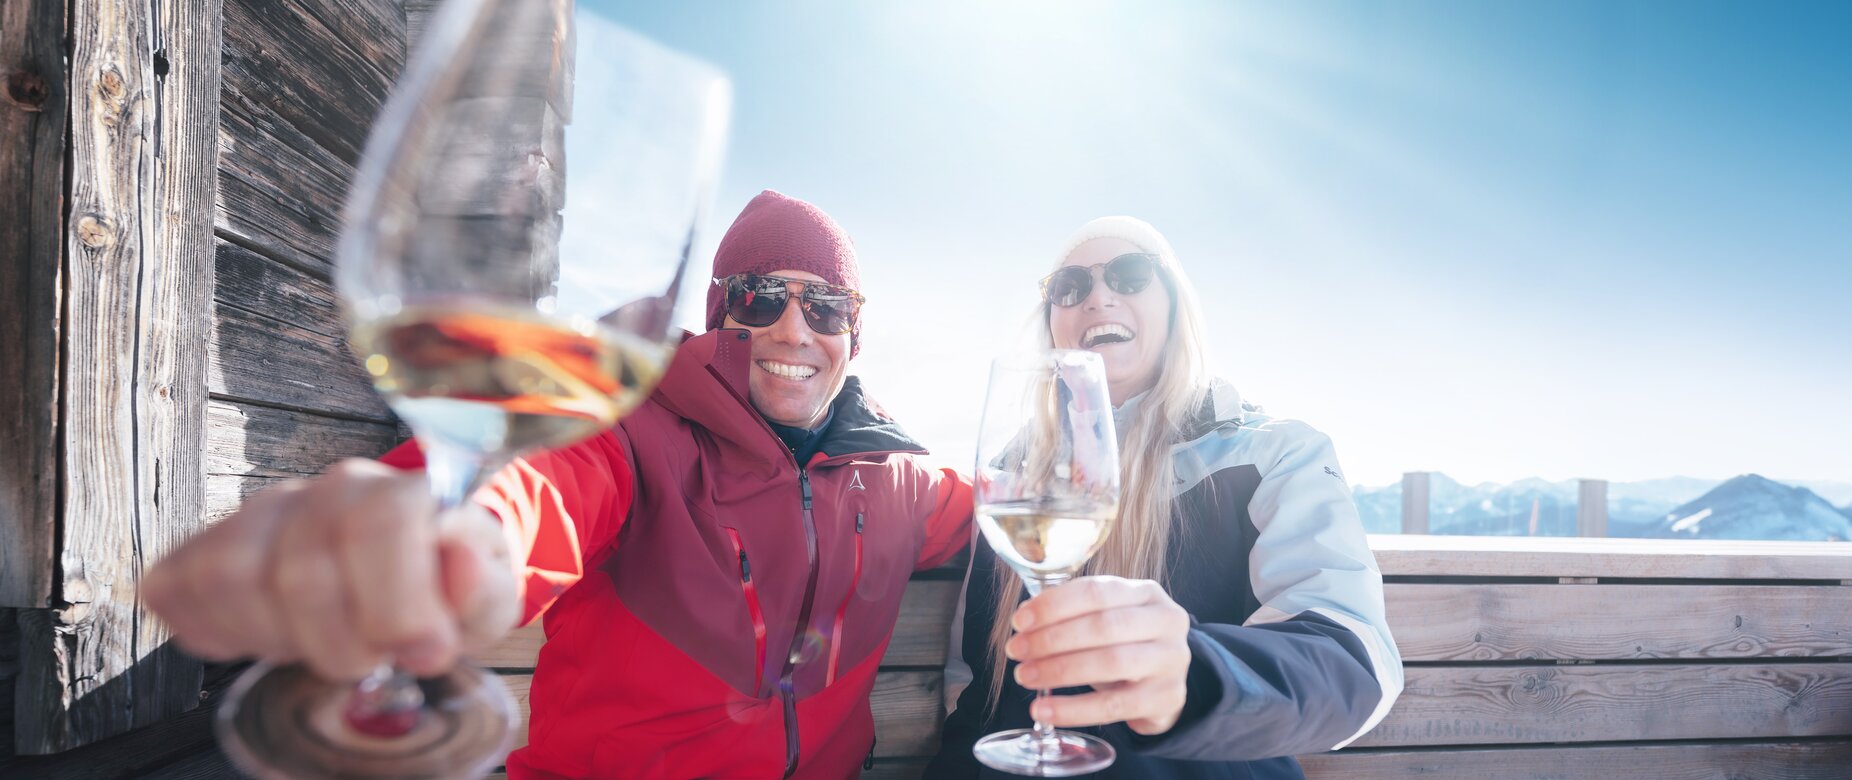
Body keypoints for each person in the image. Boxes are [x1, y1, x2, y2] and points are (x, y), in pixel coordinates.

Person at [144, 190, 974, 779]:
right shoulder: (634, 430)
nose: (794, 327)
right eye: (759, 298)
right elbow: (538, 487)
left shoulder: (897, 478)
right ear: (721, 313)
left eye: (827, 306)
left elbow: (1001, 509)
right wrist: (441, 534)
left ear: (853, 337)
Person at [927, 217, 1402, 779]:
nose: (1099, 296)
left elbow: (1353, 659)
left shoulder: (1274, 453)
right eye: (1070, 286)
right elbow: (976, 686)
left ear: (1177, 304)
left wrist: (1195, 678)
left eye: (1130, 276)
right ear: (1051, 321)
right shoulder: (1012, 472)